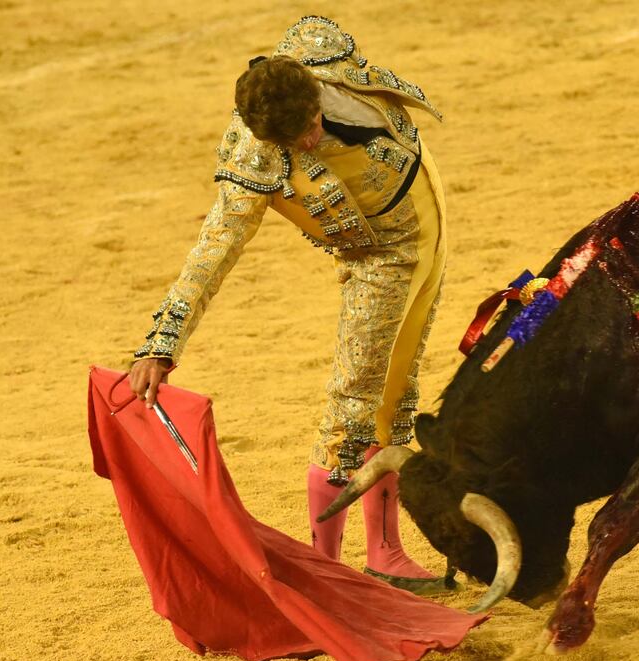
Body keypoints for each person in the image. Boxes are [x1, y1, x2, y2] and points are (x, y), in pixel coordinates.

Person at [128, 15, 449, 595]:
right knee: (352, 411)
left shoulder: (319, 54)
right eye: (290, 141)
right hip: (382, 263)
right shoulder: (256, 157)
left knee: (396, 396)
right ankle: (327, 571)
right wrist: (162, 343)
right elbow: (213, 250)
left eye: (308, 128)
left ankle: (385, 551)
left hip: (430, 240)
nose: (305, 144)